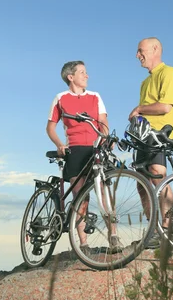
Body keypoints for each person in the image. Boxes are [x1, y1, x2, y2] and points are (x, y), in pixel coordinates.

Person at [46, 60, 120, 253]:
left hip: (96, 147)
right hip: (75, 149)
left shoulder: (95, 96)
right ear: (71, 77)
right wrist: (59, 144)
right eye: (82, 72)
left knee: (103, 192)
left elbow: (103, 122)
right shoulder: (60, 98)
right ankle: (84, 244)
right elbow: (50, 127)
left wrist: (105, 139)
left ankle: (114, 237)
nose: (87, 76)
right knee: (80, 196)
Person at [128, 37, 173, 248]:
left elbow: (165, 106)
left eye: (140, 50)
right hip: (143, 136)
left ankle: (169, 230)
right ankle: (153, 231)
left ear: (155, 49)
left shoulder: (168, 73)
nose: (137, 55)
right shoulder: (145, 82)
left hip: (161, 133)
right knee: (141, 184)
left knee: (158, 176)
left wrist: (139, 109)